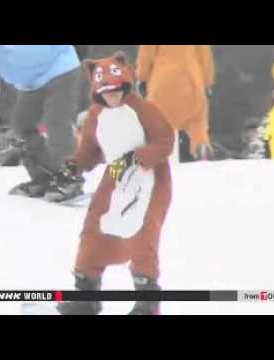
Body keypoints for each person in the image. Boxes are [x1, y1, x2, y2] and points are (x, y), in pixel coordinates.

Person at [55, 51, 174, 315]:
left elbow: (165, 141)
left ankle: (147, 302)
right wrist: (75, 166)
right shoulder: (96, 115)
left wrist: (138, 157)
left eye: (117, 89)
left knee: (142, 233)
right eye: (105, 91)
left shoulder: (143, 109)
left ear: (126, 84)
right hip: (116, 175)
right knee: (94, 229)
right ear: (97, 92)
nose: (112, 95)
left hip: (150, 178)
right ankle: (87, 295)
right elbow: (91, 149)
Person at [0, 45, 83, 201]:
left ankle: (70, 177)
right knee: (21, 124)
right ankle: (45, 176)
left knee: (57, 120)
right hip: (31, 85)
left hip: (61, 69)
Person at [135, 45, 215, 162]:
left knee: (159, 121)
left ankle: (161, 156)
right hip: (191, 79)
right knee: (197, 121)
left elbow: (146, 55)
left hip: (162, 80)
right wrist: (207, 83)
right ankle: (200, 147)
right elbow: (205, 57)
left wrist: (142, 77)